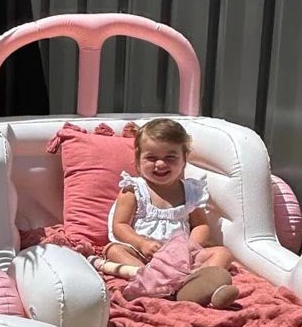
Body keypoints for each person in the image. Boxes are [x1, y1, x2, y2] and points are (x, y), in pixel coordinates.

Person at [93, 118, 239, 309]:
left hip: (181, 257)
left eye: (170, 158)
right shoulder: (133, 190)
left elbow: (201, 225)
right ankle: (152, 279)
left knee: (223, 253)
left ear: (184, 159)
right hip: (143, 255)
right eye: (152, 158)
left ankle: (193, 284)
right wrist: (141, 243)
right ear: (138, 160)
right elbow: (120, 226)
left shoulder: (191, 191)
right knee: (114, 250)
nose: (161, 164)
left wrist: (190, 246)